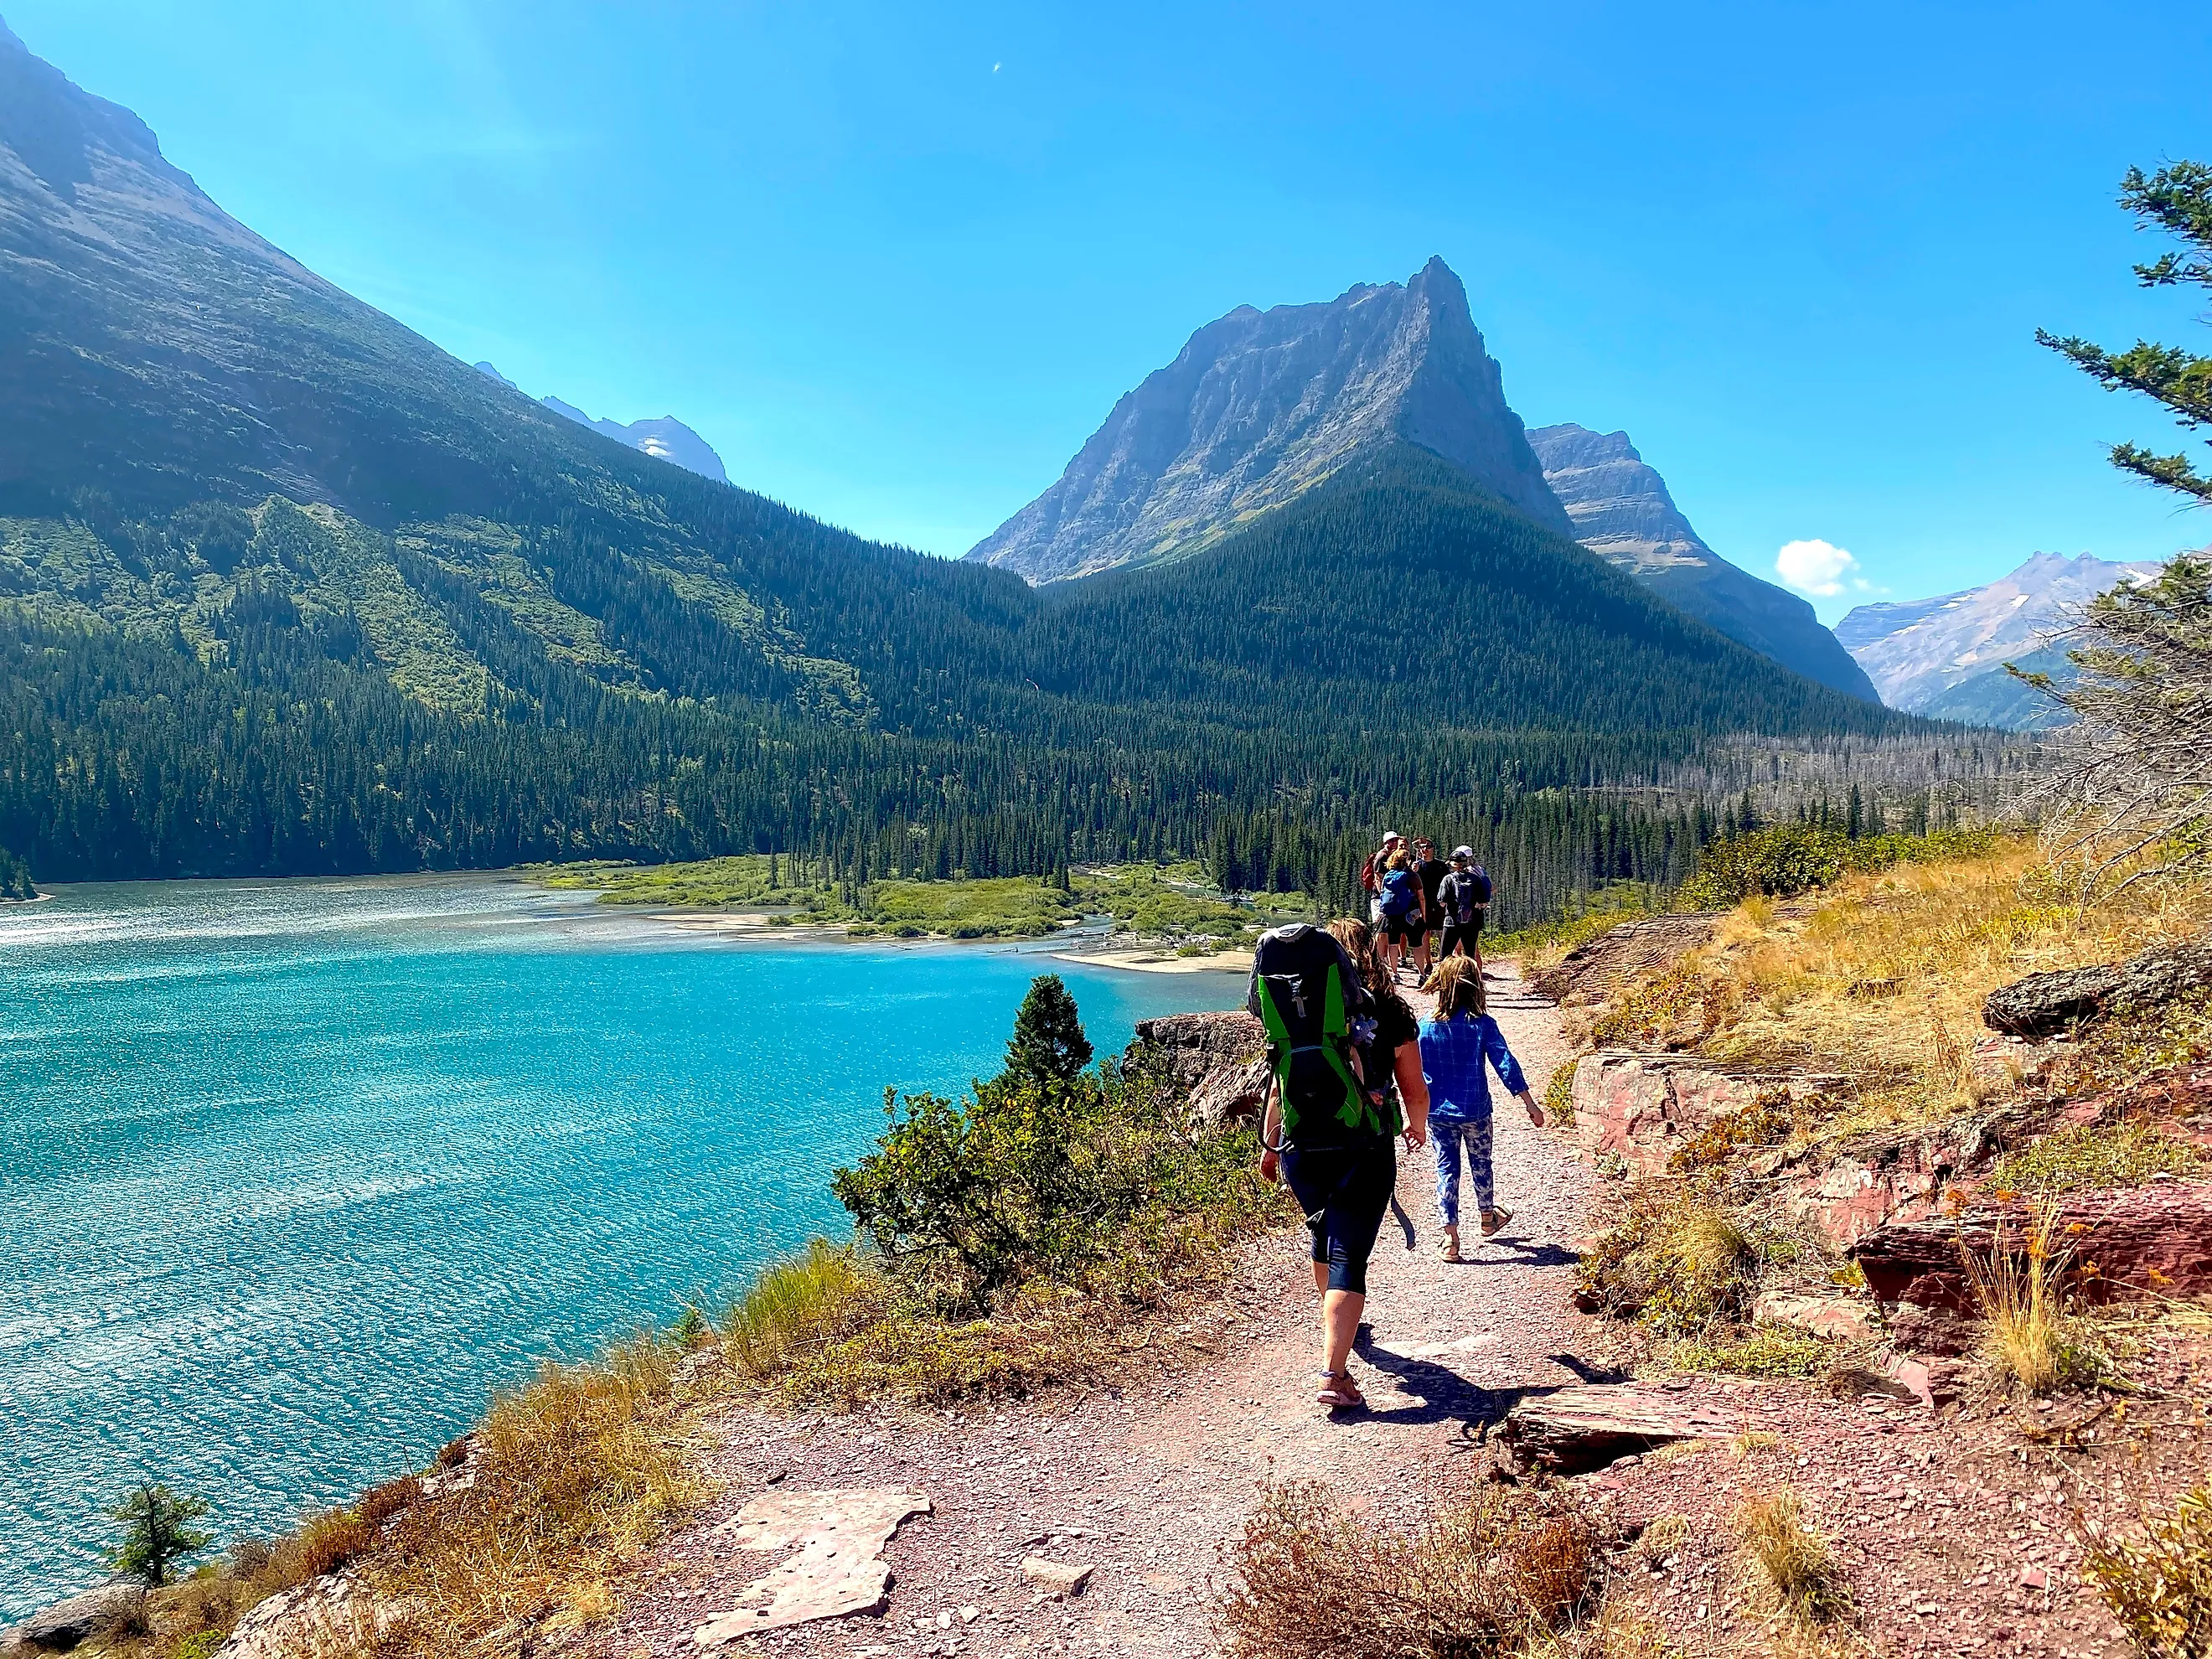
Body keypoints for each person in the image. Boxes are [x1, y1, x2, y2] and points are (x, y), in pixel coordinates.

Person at [1253, 917, 1429, 1413]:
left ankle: (1340, 1326)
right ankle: (1332, 1372)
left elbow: (1278, 1085)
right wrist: (1416, 1125)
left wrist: (1271, 1146)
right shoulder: (1391, 1013)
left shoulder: (1293, 1018)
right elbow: (1413, 1087)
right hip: (1363, 1147)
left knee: (1321, 1235)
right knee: (1350, 1252)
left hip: (1301, 1149)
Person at [1418, 955, 1543, 1264]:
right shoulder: (1483, 1025)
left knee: (1446, 1168)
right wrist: (1529, 1103)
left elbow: (1410, 1070)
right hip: (1475, 1109)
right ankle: (1488, 1218)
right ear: (1476, 987)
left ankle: (1450, 1238)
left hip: (1438, 1112)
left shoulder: (1423, 1026)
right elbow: (1505, 1063)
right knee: (1481, 1162)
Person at [1434, 846, 1493, 974]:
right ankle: (1472, 982)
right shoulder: (1476, 879)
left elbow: (1442, 901)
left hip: (1451, 922)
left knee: (1444, 956)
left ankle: (1444, 983)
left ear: (1452, 864)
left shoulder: (1448, 879)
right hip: (1471, 922)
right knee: (1470, 956)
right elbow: (1483, 900)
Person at [1374, 848, 1423, 982]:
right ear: (1406, 861)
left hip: (1391, 915)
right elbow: (1421, 897)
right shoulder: (1412, 876)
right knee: (1416, 944)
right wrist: (1423, 915)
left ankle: (1395, 974)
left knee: (1393, 944)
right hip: (1409, 915)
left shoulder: (1388, 875)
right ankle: (1422, 975)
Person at [1409, 836, 1451, 977]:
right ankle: (1428, 963)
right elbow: (1410, 884)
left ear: (1433, 849)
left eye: (1427, 847)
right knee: (1425, 934)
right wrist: (1412, 872)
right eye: (1422, 847)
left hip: (1439, 903)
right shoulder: (1416, 865)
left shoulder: (1441, 866)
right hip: (1423, 903)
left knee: (1442, 933)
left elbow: (1448, 884)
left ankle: (1444, 961)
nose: (1424, 850)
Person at [1358, 831, 1405, 925]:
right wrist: (1383, 896)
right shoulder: (1382, 856)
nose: (1395, 842)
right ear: (1385, 843)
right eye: (1392, 840)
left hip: (1388, 897)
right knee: (1379, 924)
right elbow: (1378, 879)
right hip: (1379, 898)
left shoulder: (1392, 855)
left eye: (1396, 840)